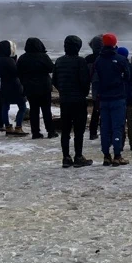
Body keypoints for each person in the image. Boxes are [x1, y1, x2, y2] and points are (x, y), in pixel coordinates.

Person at [52, 35, 92, 167]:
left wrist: (63, 90)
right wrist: (83, 93)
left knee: (65, 130)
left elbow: (55, 80)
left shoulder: (59, 61)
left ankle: (66, 157)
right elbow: (85, 81)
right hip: (79, 100)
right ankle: (78, 156)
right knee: (79, 130)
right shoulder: (80, 61)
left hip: (65, 100)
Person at [92, 33, 130, 166]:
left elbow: (95, 78)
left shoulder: (98, 60)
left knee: (105, 127)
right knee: (117, 126)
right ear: (115, 43)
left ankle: (106, 156)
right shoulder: (120, 59)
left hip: (103, 98)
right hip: (118, 97)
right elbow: (128, 76)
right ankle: (117, 155)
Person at [16, 37, 57, 140]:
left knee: (34, 110)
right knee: (46, 110)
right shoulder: (43, 56)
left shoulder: (22, 58)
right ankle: (51, 131)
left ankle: (35, 133)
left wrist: (24, 83)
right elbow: (52, 68)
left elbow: (18, 72)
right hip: (44, 87)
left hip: (30, 88)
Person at [0, 40, 28, 136]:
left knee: (5, 107)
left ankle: (8, 127)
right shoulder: (10, 61)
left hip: (4, 85)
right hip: (15, 85)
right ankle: (18, 127)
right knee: (22, 107)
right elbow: (17, 72)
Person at [116, 48, 132, 151]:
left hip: (118, 98)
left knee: (120, 122)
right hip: (131, 97)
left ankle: (120, 142)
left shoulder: (114, 66)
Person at [85, 35, 103, 140]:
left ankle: (93, 132)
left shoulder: (88, 59)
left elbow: (85, 75)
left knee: (96, 109)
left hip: (95, 86)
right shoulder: (105, 57)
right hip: (105, 86)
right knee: (104, 110)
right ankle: (103, 132)